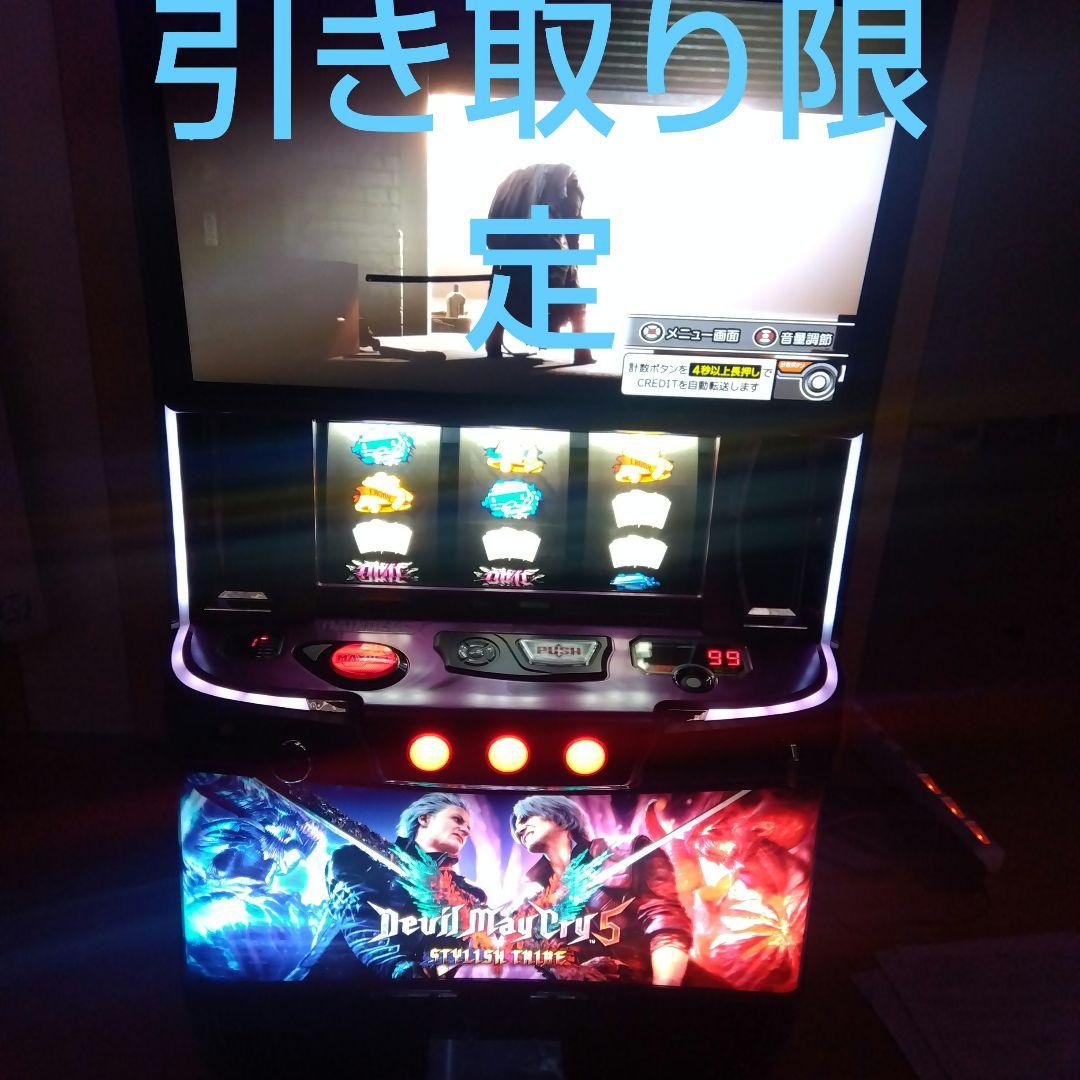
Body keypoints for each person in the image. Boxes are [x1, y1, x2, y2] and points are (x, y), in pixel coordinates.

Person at [510, 794, 692, 985]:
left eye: (525, 818)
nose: (519, 829)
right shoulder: (532, 893)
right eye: (516, 826)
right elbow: (529, 948)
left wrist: (664, 986)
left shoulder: (627, 850)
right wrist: (567, 969)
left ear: (557, 814)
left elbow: (666, 923)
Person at [311, 792, 486, 980]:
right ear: (424, 819)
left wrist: (427, 977)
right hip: (326, 987)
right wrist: (401, 970)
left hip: (413, 993)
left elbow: (445, 959)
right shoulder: (356, 857)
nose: (465, 830)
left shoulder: (464, 895)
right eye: (457, 820)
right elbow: (359, 921)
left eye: (468, 827)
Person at [483, 163, 596, 366]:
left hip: (512, 252)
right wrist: (574, 255)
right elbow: (573, 224)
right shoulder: (568, 182)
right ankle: (582, 350)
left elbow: (492, 230)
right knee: (574, 295)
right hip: (548, 250)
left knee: (502, 291)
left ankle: (493, 342)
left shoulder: (512, 183)